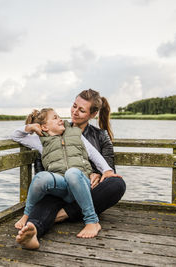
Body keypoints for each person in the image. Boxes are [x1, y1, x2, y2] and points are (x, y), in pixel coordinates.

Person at [16, 89, 126, 249]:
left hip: (89, 189)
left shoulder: (100, 136)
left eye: (81, 110)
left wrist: (98, 173)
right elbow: (42, 171)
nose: (75, 112)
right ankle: (33, 233)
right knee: (47, 199)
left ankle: (63, 214)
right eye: (74, 106)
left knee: (117, 185)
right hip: (61, 187)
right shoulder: (51, 134)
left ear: (93, 114)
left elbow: (108, 168)